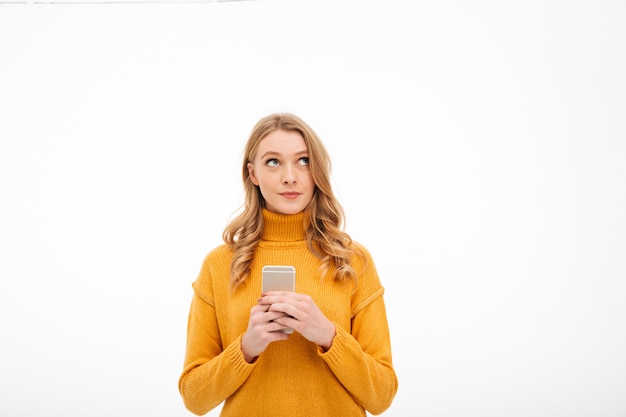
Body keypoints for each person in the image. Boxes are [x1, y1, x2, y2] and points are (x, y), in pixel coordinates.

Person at [178, 113, 398, 417]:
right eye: (273, 162)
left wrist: (328, 335)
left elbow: (382, 396)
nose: (290, 176)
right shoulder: (219, 264)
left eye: (304, 161)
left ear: (317, 171)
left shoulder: (352, 261)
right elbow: (194, 398)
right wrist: (246, 347)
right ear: (253, 174)